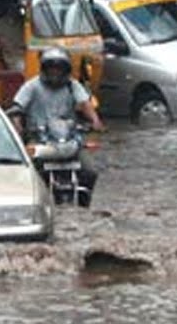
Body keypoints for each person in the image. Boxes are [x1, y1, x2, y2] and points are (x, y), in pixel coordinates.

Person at [9, 48, 106, 206]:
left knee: (90, 171)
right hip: (39, 139)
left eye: (59, 69)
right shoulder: (31, 86)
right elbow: (17, 107)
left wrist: (95, 121)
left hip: (69, 139)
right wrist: (18, 126)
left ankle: (84, 203)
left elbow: (85, 103)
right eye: (52, 68)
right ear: (44, 69)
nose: (55, 73)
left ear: (66, 70)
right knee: (28, 174)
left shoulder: (72, 85)